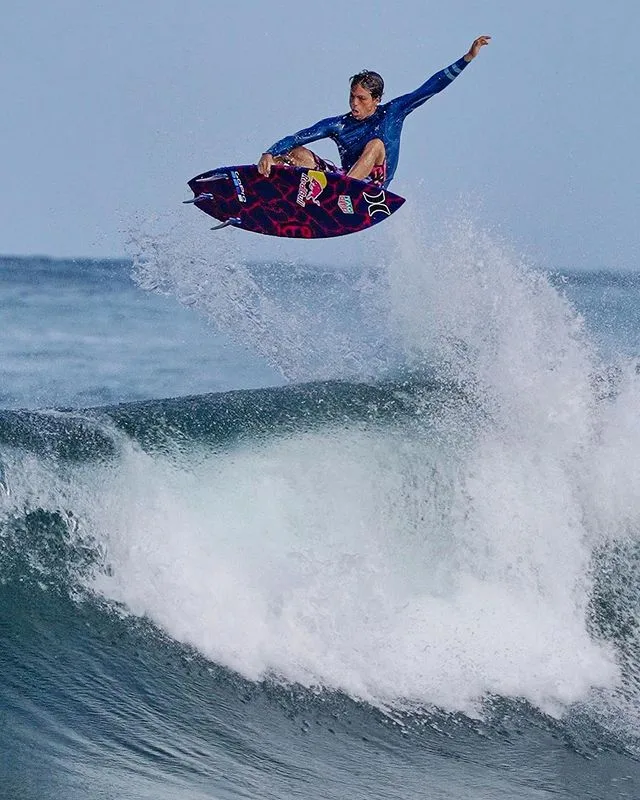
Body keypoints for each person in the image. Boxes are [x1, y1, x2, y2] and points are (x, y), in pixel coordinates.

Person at [257, 35, 491, 189]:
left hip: (370, 189)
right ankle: (264, 189)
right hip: (343, 178)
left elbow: (431, 87)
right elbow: (298, 137)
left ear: (376, 100)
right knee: (296, 152)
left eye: (361, 99)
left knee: (376, 145)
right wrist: (270, 153)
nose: (354, 104)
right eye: (352, 97)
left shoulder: (393, 113)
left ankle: (341, 190)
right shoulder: (339, 125)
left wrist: (467, 58)